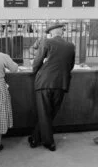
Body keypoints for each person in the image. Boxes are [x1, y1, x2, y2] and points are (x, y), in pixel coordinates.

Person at [28, 23, 75, 151]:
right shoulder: (71, 46)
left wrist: (34, 70)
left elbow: (37, 61)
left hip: (44, 82)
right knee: (50, 113)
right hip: (61, 83)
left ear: (52, 33)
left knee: (44, 112)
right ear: (62, 32)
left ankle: (49, 142)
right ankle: (34, 138)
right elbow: (70, 66)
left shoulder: (46, 42)